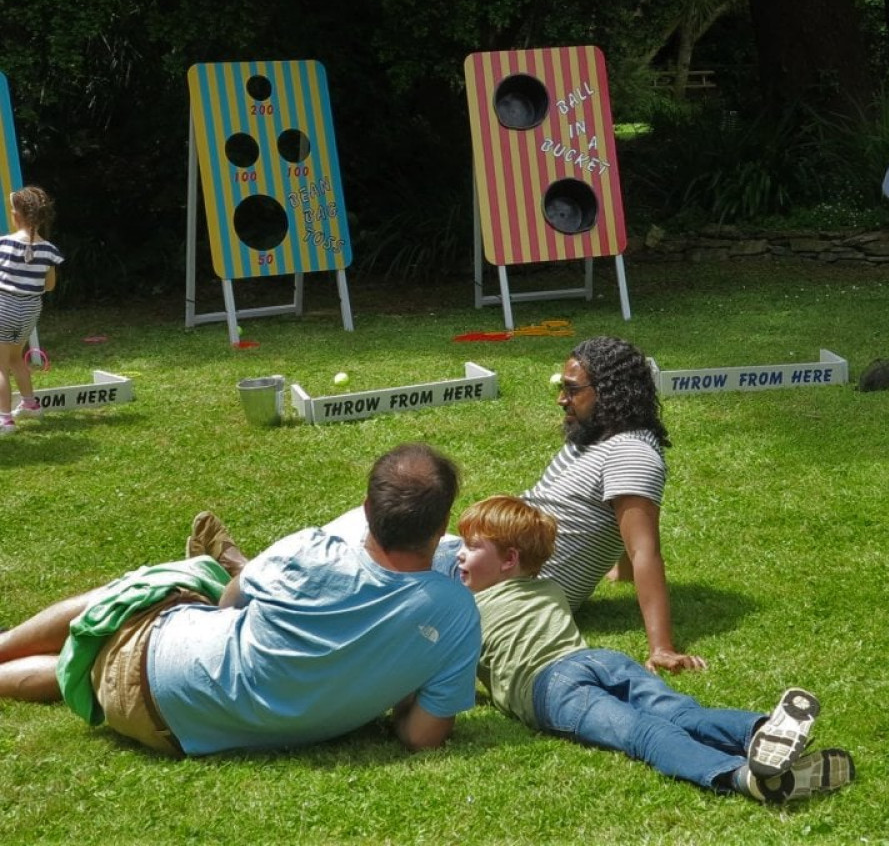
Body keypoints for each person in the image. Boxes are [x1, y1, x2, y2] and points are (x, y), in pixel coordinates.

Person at [0, 443, 481, 758]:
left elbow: (229, 603)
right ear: (442, 527)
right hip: (169, 730)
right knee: (91, 664)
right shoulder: (457, 613)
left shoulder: (312, 549)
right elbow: (422, 737)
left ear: (368, 509)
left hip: (162, 661)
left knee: (157, 588)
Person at [313, 336, 704, 675]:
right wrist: (619, 570)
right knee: (361, 528)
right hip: (487, 557)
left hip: (503, 578)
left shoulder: (630, 454)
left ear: (611, 392)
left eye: (572, 389)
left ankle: (267, 586)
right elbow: (622, 523)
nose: (561, 399)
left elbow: (643, 546)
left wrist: (661, 647)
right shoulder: (600, 436)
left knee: (359, 549)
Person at [456, 495, 855, 805]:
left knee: (643, 733)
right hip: (597, 658)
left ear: (509, 559)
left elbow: (448, 671)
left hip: (549, 690)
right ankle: (761, 730)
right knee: (682, 712)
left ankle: (739, 776)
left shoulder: (466, 611)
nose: (459, 554)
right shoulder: (549, 588)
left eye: (471, 547)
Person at [0, 186, 63, 432]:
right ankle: (30, 405)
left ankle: (4, 420)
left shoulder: (3, 244)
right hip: (30, 310)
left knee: (0, 365)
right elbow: (49, 286)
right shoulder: (49, 250)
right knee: (16, 358)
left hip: (4, 306)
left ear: (16, 215)